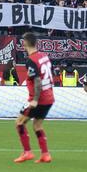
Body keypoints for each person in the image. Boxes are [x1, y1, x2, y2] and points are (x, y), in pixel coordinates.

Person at [14, 32, 54, 164]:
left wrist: (35, 99)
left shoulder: (31, 60)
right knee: (37, 125)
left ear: (25, 42)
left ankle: (27, 153)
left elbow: (37, 80)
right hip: (49, 98)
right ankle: (45, 154)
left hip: (39, 99)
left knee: (19, 123)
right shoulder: (44, 56)